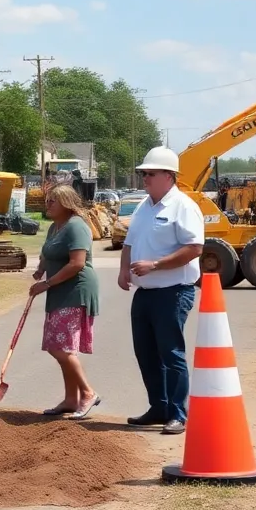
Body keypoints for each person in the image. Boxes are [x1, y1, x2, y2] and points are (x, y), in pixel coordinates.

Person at [118, 146, 205, 436]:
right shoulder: (145, 205)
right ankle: (159, 407)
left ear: (169, 176)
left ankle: (178, 413)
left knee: (171, 353)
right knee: (145, 352)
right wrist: (123, 269)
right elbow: (129, 243)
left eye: (150, 174)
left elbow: (194, 248)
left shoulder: (183, 206)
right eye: (143, 173)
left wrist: (155, 265)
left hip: (173, 291)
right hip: (145, 293)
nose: (145, 178)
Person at [32, 185, 101, 419]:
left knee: (60, 347)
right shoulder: (55, 227)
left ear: (67, 203)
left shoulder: (76, 226)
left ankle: (88, 393)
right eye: (47, 200)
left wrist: (46, 284)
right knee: (59, 345)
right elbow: (48, 252)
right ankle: (71, 399)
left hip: (75, 290)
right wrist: (40, 269)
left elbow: (77, 263)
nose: (48, 204)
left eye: (53, 201)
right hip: (59, 289)